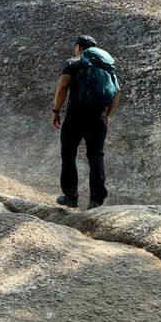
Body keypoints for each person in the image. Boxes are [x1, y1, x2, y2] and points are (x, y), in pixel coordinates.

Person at [52, 35, 120, 209]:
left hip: (76, 115)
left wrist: (56, 111)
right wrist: (107, 114)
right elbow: (117, 91)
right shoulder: (106, 65)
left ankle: (70, 196)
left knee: (69, 154)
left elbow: (62, 87)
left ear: (78, 47)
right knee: (96, 156)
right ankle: (96, 200)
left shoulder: (73, 63)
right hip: (98, 117)